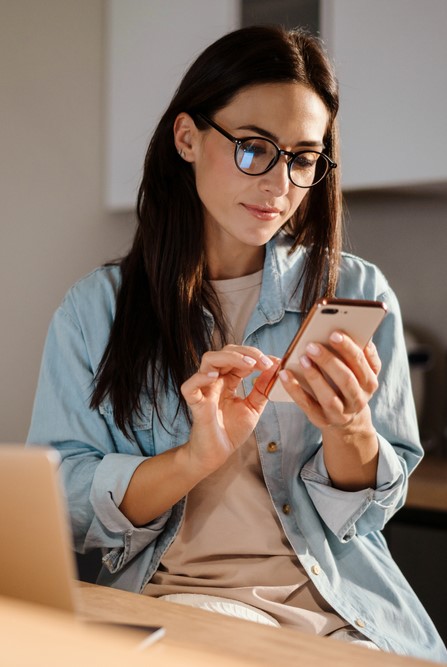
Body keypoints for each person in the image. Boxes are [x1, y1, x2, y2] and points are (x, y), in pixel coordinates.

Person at [27, 25, 446, 661]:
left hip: (337, 607)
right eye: (255, 148)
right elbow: (61, 504)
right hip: (180, 601)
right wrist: (194, 458)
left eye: (304, 157)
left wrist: (351, 428)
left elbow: (367, 517)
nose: (280, 184)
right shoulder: (96, 310)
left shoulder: (358, 289)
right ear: (187, 138)